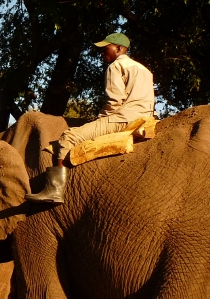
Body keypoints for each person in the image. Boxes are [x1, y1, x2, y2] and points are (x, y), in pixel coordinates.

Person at [27, 32, 155, 204]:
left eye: (105, 48)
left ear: (118, 49)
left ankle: (55, 190)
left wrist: (100, 120)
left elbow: (115, 101)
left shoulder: (115, 66)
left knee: (68, 137)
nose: (101, 53)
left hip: (123, 119)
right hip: (145, 118)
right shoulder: (144, 70)